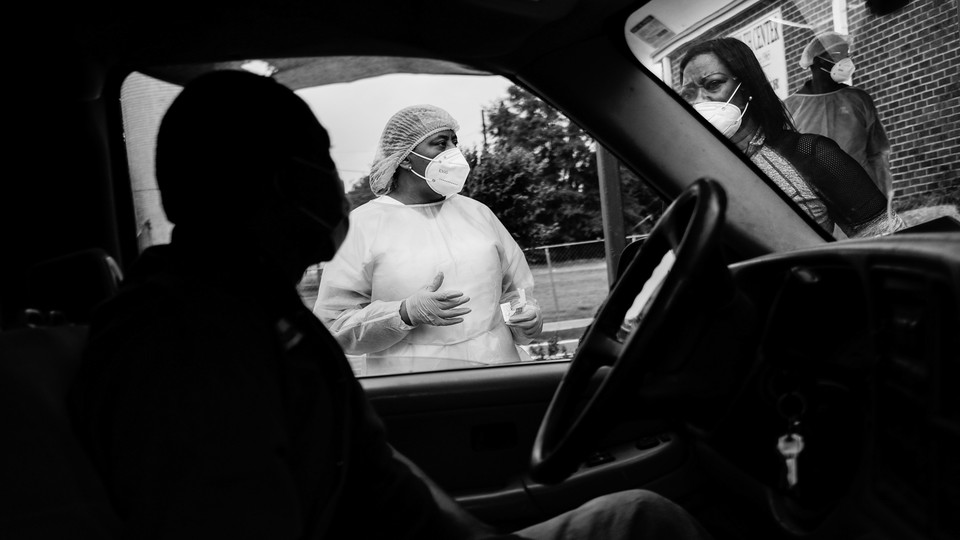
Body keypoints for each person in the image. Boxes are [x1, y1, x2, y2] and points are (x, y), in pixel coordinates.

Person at [70, 70, 714, 539]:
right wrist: (404, 316)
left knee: (639, 515)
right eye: (320, 160)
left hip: (488, 372)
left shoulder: (256, 309)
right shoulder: (184, 345)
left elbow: (380, 479)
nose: (334, 182)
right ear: (280, 182)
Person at [314, 104, 543, 375]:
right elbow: (334, 326)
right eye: (440, 143)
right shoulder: (362, 226)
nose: (454, 153)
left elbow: (515, 292)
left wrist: (526, 317)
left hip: (498, 375)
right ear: (406, 158)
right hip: (416, 389)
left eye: (454, 142)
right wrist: (403, 312)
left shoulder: (478, 214)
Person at [678, 37, 904, 238]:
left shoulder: (811, 153)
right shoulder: (689, 176)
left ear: (746, 86)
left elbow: (886, 240)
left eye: (714, 84)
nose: (700, 101)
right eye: (689, 94)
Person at [785, 32, 894, 196]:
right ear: (817, 60)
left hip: (862, 195)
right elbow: (788, 162)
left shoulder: (859, 100)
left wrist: (884, 200)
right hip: (818, 200)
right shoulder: (790, 107)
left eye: (847, 54)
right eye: (838, 55)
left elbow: (878, 155)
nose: (846, 60)